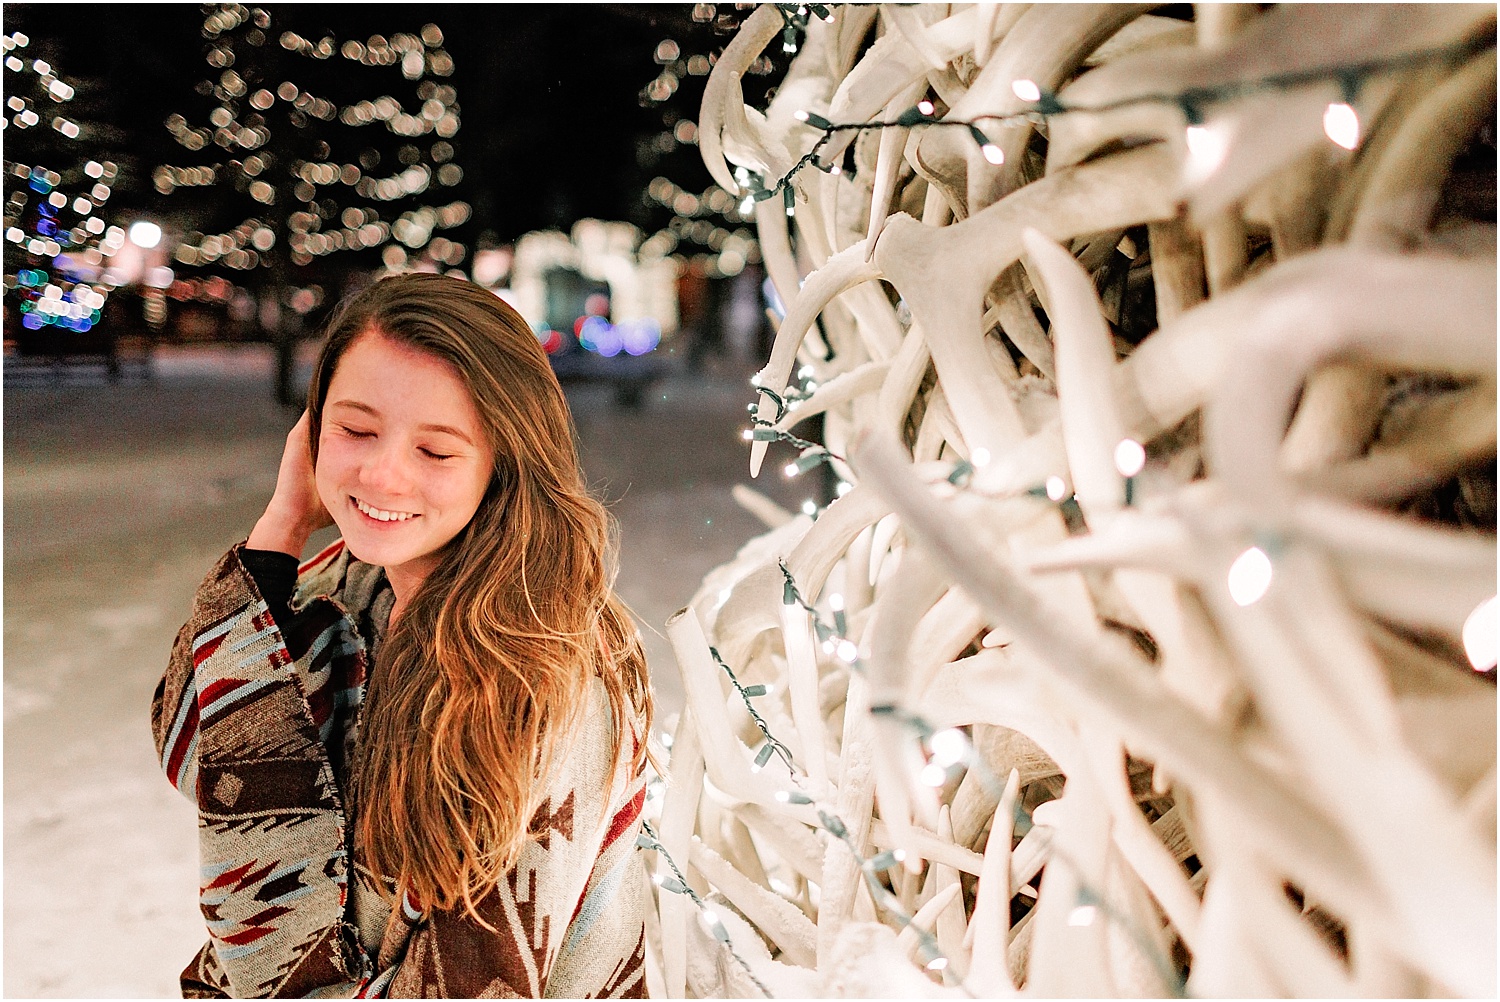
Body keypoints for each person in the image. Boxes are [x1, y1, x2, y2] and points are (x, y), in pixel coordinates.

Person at [152, 273, 654, 998]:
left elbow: (478, 985)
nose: (383, 474)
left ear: (503, 465)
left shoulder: (548, 674)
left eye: (437, 451)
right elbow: (204, 753)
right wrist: (282, 527)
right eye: (354, 430)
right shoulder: (348, 594)